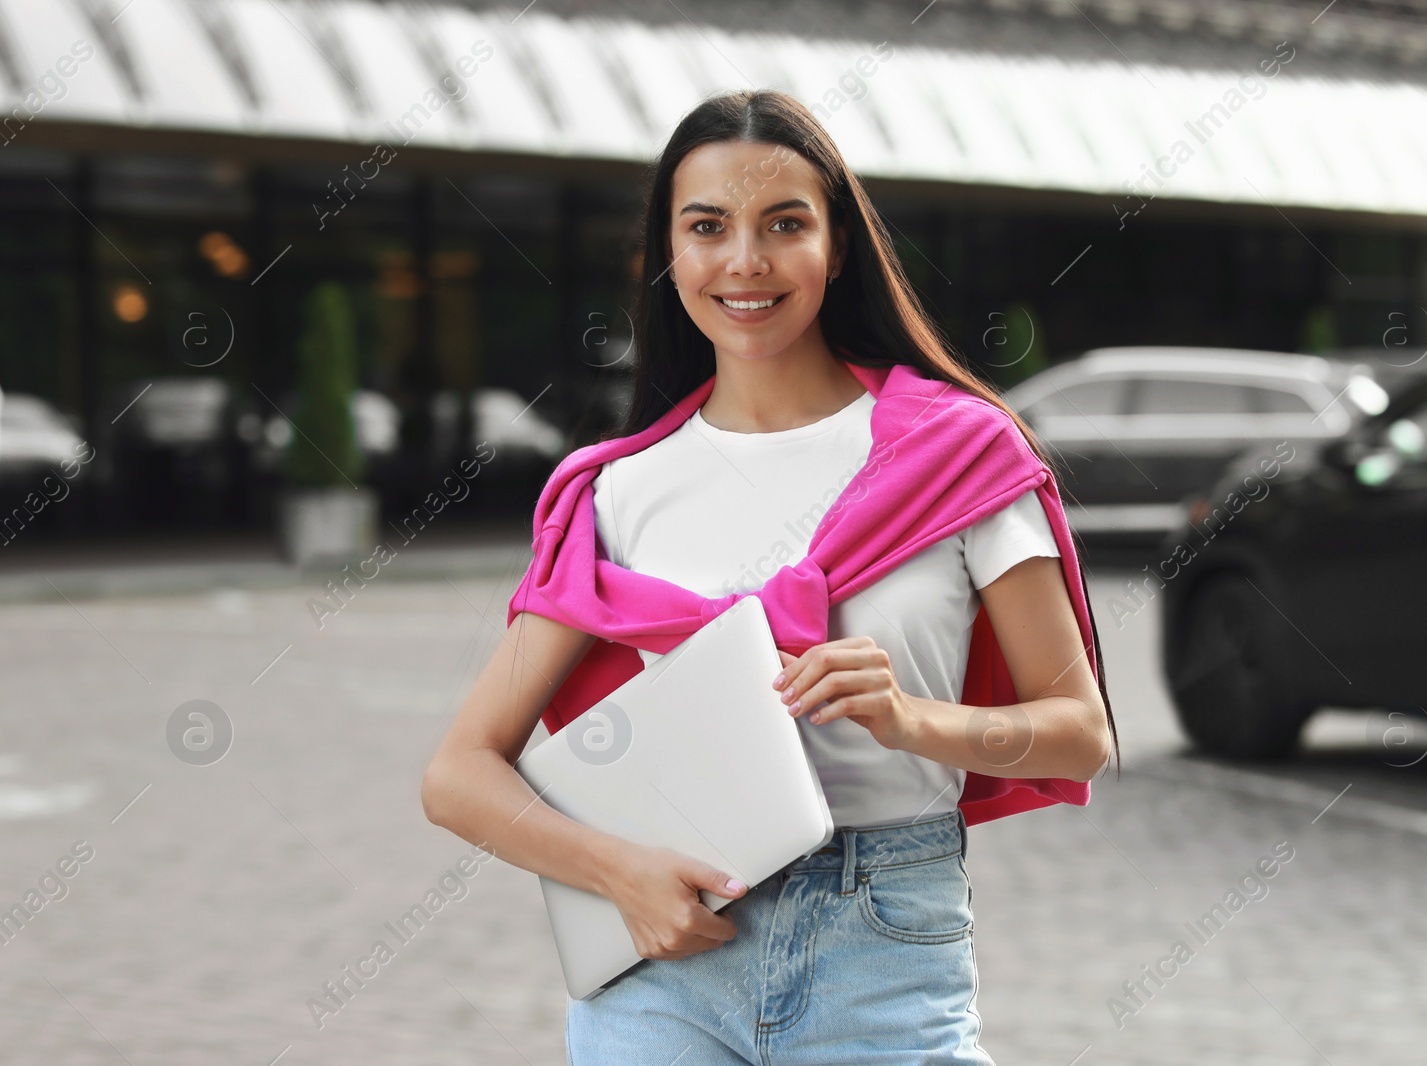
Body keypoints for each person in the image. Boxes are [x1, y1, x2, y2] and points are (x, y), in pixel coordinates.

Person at [421, 88, 1118, 1064]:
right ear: (668, 256)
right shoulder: (615, 492)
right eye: (707, 227)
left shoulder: (963, 456)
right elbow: (458, 772)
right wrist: (617, 873)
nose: (744, 260)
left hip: (883, 948)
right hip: (665, 962)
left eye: (783, 223)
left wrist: (910, 718)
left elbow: (1078, 735)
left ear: (836, 247)